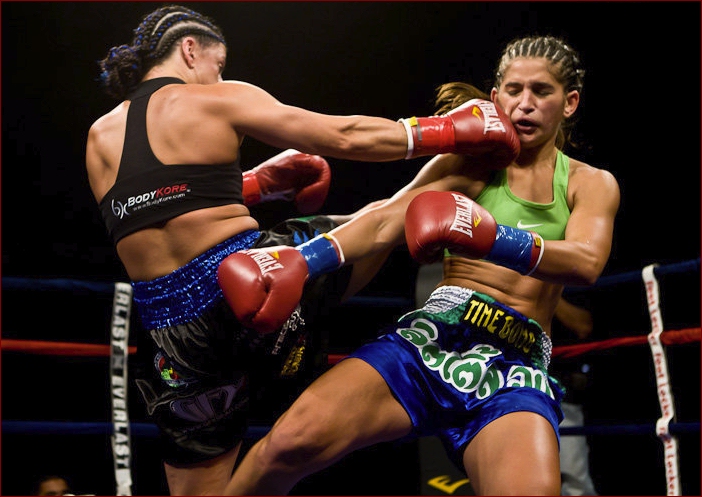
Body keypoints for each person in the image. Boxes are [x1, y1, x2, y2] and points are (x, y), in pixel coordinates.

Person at [84, 4, 520, 495]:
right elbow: (343, 136)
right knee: (384, 215)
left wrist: (256, 185)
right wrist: (447, 130)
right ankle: (489, 162)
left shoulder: (98, 137)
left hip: (172, 339)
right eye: (218, 64)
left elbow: (144, 215)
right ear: (190, 50)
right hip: (257, 274)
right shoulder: (217, 98)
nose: (219, 76)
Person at [220, 34, 620, 495]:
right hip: (433, 336)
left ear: (569, 102)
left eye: (541, 91)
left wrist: (491, 237)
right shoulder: (469, 163)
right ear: (496, 97)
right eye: (514, 90)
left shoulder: (589, 183)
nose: (524, 104)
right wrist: (301, 260)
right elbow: (386, 219)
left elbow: (587, 262)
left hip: (515, 362)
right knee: (288, 444)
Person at [552, 295, 599, 496]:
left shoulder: (567, 287)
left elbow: (583, 326)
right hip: (516, 389)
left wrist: (546, 290)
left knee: (574, 482)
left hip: (562, 394)